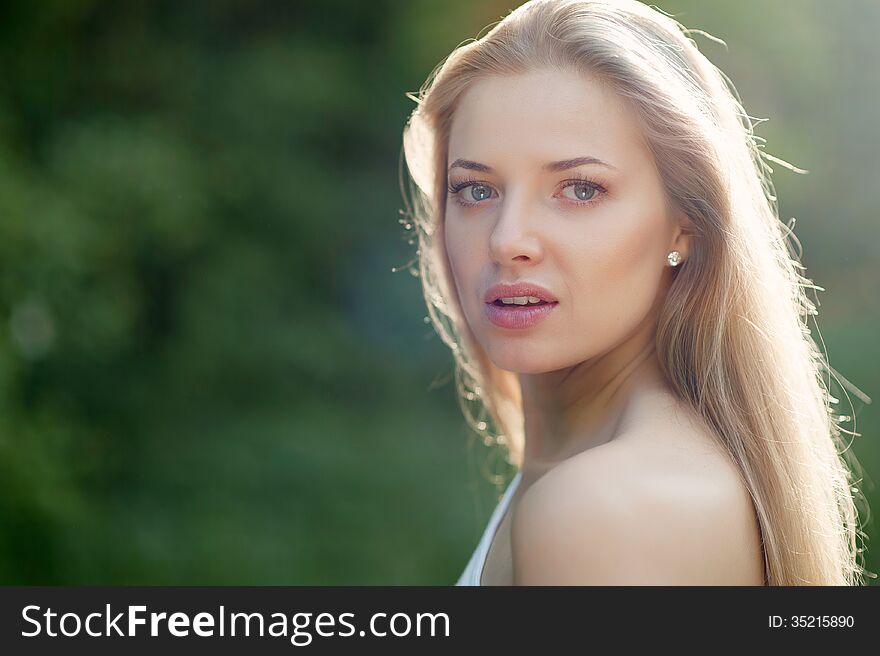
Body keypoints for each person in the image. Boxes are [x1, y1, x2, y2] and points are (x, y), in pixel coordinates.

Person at [400, 0, 870, 585]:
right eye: (475, 191)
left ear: (686, 223)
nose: (507, 239)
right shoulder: (587, 473)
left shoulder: (608, 509)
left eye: (579, 189)